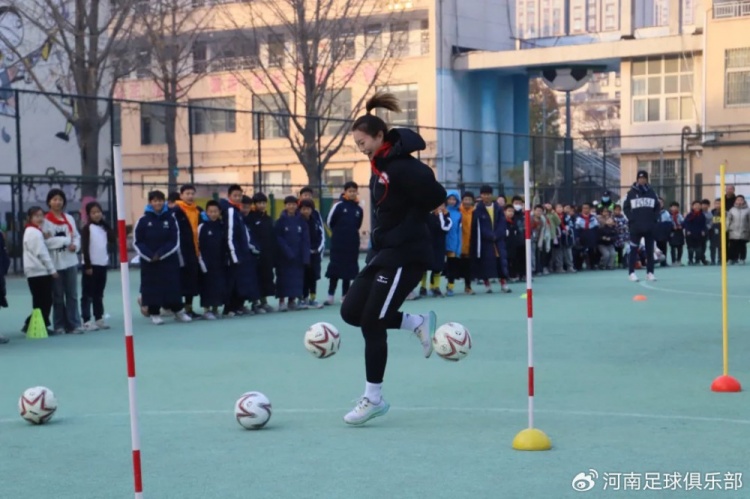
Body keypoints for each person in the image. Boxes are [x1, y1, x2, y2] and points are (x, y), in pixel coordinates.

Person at [339, 92, 446, 426]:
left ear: (379, 136)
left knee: (372, 322)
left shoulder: (404, 167)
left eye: (362, 142)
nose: (361, 148)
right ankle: (415, 322)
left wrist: (410, 223)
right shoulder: (380, 166)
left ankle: (373, 398)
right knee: (351, 311)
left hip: (406, 254)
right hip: (384, 252)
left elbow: (436, 195)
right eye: (357, 144)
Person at [133, 190, 192, 325]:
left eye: (160, 200)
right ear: (150, 202)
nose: (158, 203)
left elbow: (174, 241)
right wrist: (150, 255)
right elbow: (137, 242)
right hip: (149, 262)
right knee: (152, 287)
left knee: (173, 286)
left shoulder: (171, 219)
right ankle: (154, 313)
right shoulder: (143, 220)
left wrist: (160, 254)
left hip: (168, 260)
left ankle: (178, 312)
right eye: (155, 201)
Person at [43, 188, 82, 334]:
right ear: (49, 202)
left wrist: (75, 245)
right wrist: (66, 241)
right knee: (58, 296)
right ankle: (59, 325)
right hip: (55, 264)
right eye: (54, 199)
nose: (57, 202)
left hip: (70, 261)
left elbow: (76, 236)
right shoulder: (45, 221)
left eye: (60, 199)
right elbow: (47, 242)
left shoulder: (69, 218)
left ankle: (74, 324)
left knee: (72, 295)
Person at [325, 182, 363, 305]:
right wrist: (339, 233)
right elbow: (329, 221)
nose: (352, 193)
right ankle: (330, 295)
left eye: (354, 191)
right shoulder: (338, 206)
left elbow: (358, 225)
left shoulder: (359, 209)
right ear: (345, 192)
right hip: (338, 244)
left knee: (348, 271)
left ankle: (345, 295)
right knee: (335, 270)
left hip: (352, 245)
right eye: (350, 191)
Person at [22, 206, 58, 336]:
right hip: (38, 271)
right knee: (45, 300)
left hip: (34, 271)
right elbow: (42, 253)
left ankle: (32, 323)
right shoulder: (34, 233)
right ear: (30, 218)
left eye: (41, 215)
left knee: (40, 300)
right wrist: (52, 269)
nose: (40, 218)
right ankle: (38, 324)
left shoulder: (33, 231)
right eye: (36, 216)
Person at [80, 201, 114, 331]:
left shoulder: (104, 228)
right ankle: (86, 320)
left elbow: (112, 239)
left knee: (99, 293)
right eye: (93, 213)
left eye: (98, 212)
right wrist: (88, 265)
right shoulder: (87, 228)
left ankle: (99, 318)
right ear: (88, 215)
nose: (96, 215)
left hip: (102, 264)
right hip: (91, 266)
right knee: (87, 294)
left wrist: (107, 227)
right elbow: (85, 247)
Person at [274, 196, 310, 311]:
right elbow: (278, 238)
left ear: (296, 206)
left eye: (293, 204)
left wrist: (305, 257)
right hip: (283, 258)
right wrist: (287, 251)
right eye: (289, 204)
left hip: (298, 258)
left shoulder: (302, 222)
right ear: (285, 206)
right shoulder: (280, 221)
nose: (291, 207)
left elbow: (305, 239)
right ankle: (282, 302)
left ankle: (292, 301)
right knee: (283, 280)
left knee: (296, 280)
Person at [173, 184, 203, 319]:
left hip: (195, 251)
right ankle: (177, 309)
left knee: (191, 281)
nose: (190, 196)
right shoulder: (176, 211)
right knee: (180, 281)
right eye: (187, 193)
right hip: (181, 251)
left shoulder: (198, 211)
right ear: (181, 195)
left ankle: (189, 308)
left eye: (192, 193)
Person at [623, 170, 660, 282]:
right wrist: (632, 219)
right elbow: (626, 208)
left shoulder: (652, 192)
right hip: (636, 227)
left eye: (644, 178)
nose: (642, 180)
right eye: (640, 178)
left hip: (649, 227)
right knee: (633, 250)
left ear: (647, 179)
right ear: (637, 179)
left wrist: (654, 219)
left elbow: (657, 207)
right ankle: (631, 273)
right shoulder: (631, 193)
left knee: (649, 251)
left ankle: (650, 273)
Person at [198, 200, 227, 320]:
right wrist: (201, 262)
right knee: (207, 287)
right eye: (210, 211)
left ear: (219, 212)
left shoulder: (222, 226)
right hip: (206, 263)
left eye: (215, 211)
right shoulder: (202, 227)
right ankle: (206, 310)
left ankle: (215, 309)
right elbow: (197, 245)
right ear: (207, 212)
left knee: (219, 286)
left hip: (220, 263)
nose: (213, 214)